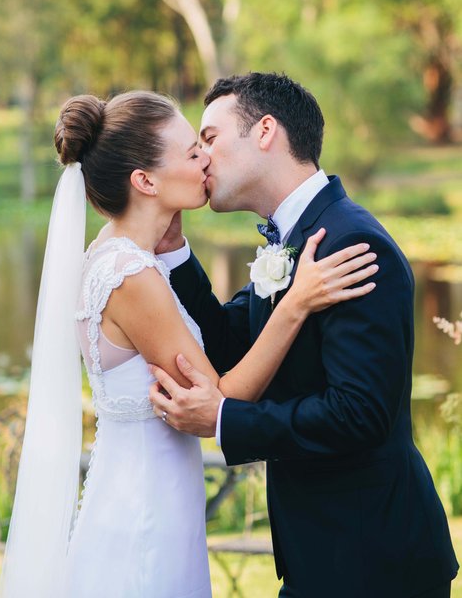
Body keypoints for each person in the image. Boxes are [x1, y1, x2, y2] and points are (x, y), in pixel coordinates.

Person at [0, 90, 378, 598]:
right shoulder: (131, 273)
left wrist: (175, 251)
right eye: (191, 149)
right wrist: (294, 304)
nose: (205, 158)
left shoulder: (121, 257)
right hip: (147, 511)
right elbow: (224, 394)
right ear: (146, 180)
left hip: (144, 492)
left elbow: (216, 347)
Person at [149, 73, 459, 598]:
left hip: (373, 560)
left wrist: (224, 419)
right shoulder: (291, 238)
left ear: (265, 131)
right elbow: (230, 344)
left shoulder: (350, 242)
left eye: (210, 138)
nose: (200, 157)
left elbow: (359, 413)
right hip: (323, 554)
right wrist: (176, 252)